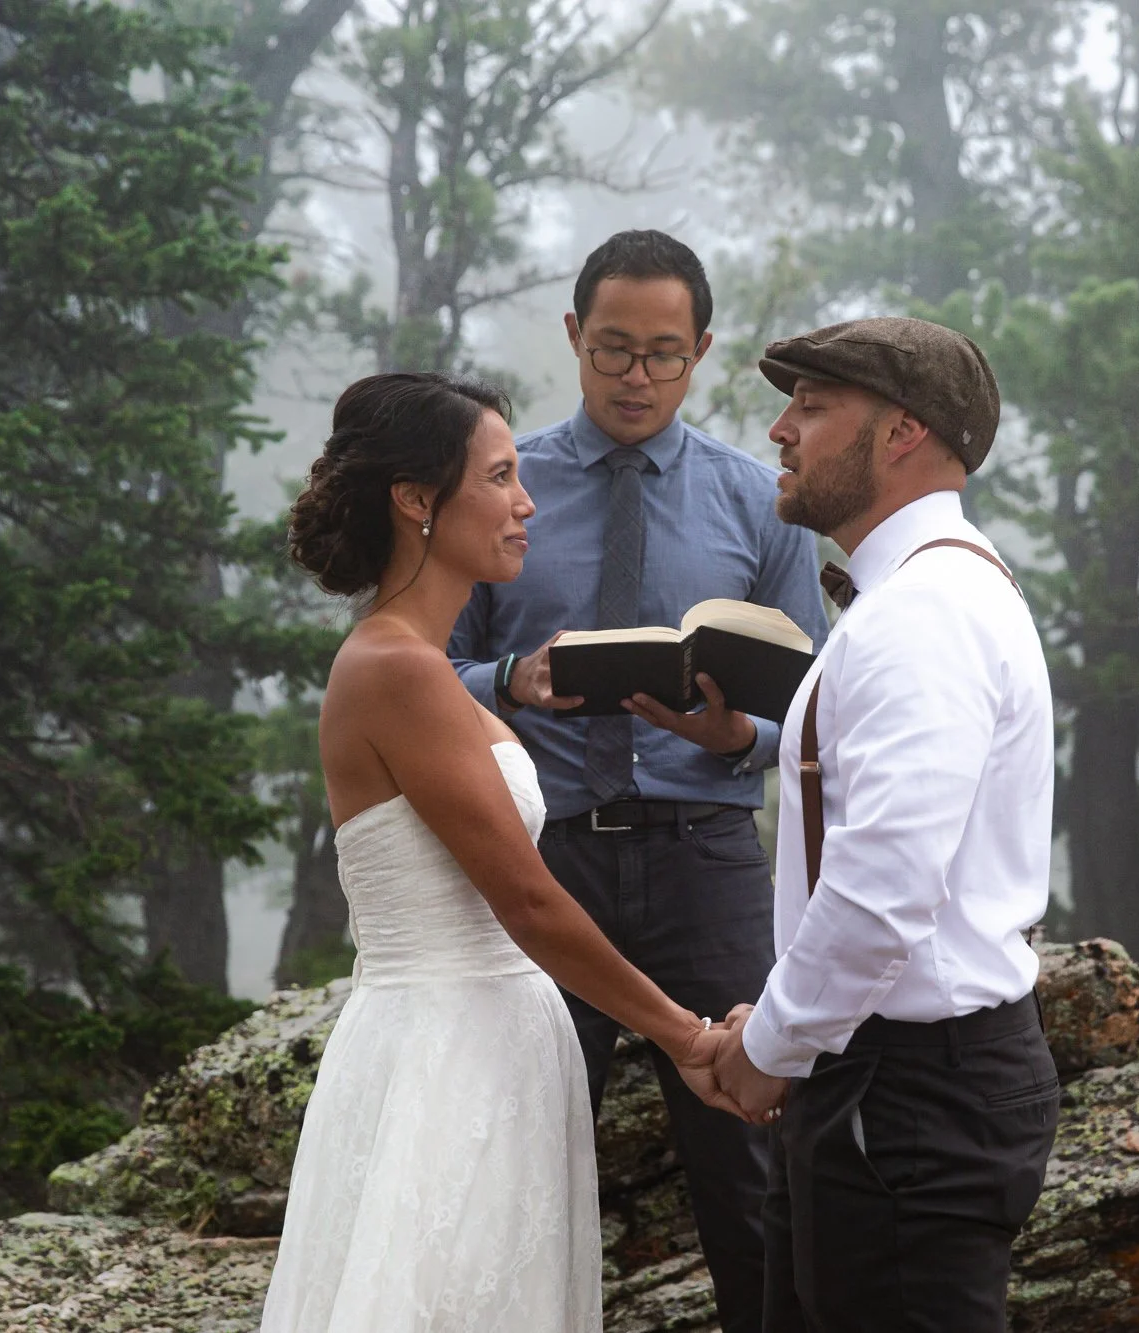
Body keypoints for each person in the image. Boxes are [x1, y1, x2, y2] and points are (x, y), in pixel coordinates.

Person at [259, 371, 738, 1333]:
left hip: (492, 1046)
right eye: (502, 477)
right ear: (416, 500)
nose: (528, 503)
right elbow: (526, 901)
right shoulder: (398, 669)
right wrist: (687, 1036)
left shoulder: (424, 667)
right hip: (444, 1058)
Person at [446, 229, 829, 1333]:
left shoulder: (761, 502)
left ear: (701, 351)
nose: (636, 376)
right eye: (613, 348)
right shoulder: (503, 490)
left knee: (751, 1174)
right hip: (541, 860)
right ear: (572, 336)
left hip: (704, 862)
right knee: (510, 1167)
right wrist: (508, 680)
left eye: (664, 353)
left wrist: (729, 735)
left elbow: (805, 709)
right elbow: (428, 669)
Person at [711, 317, 1062, 1332]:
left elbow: (881, 891)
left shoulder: (926, 613)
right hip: (878, 1081)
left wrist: (770, 1044)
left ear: (903, 431)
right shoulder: (915, 597)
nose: (781, 429)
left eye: (813, 406)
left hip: (908, 1095)